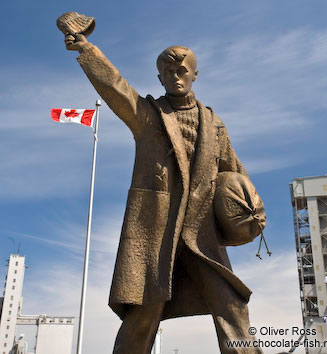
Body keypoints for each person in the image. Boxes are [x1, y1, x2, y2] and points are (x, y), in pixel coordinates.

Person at [65, 33, 263, 354]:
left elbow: (234, 174)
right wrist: (86, 49)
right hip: (156, 236)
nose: (176, 76)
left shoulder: (214, 124)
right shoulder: (148, 116)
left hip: (201, 237)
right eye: (168, 72)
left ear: (195, 74)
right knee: (143, 317)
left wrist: (250, 212)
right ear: (159, 77)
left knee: (231, 305)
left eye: (183, 71)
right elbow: (114, 86)